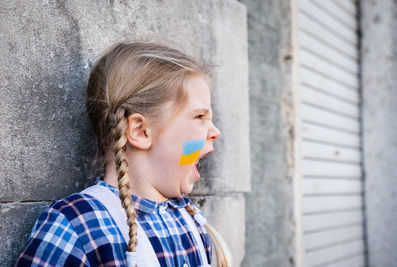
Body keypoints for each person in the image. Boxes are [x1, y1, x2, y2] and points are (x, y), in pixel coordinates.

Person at [14, 41, 233, 267]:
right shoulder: (75, 225)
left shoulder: (191, 222)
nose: (215, 132)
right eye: (200, 117)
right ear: (140, 131)